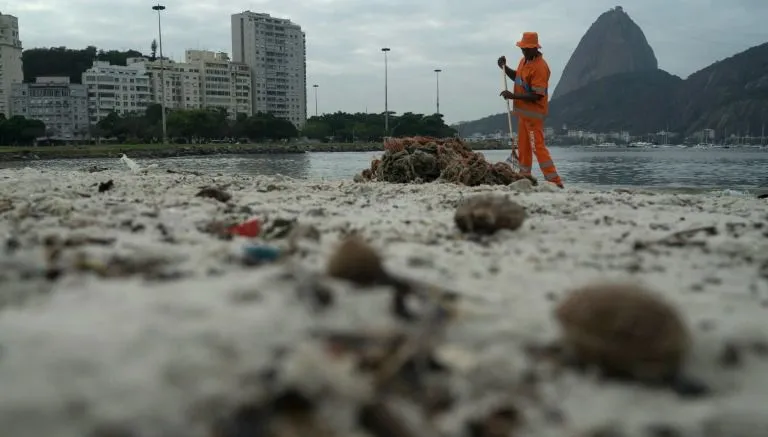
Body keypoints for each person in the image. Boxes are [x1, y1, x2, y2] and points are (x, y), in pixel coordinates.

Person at [497, 31, 564, 188]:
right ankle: (524, 177)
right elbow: (518, 78)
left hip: (534, 116)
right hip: (523, 116)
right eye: (522, 49)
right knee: (523, 148)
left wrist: (513, 96)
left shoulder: (540, 67)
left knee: (538, 148)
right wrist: (504, 68)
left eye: (527, 49)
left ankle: (555, 182)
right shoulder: (524, 61)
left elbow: (537, 95)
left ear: (535, 48)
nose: (524, 51)